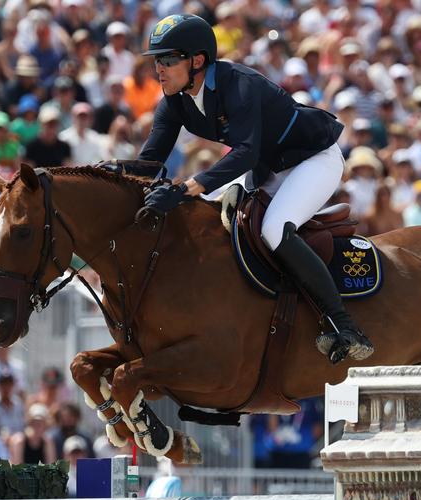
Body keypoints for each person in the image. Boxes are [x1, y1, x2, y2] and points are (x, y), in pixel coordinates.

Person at [135, 14, 372, 365]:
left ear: (197, 61)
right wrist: (105, 173)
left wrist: (186, 187)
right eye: (158, 61)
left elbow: (245, 152)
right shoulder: (174, 101)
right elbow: (149, 162)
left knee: (274, 229)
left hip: (312, 160)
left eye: (168, 60)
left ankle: (344, 325)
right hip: (268, 169)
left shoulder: (238, 84)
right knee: (210, 220)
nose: (160, 69)